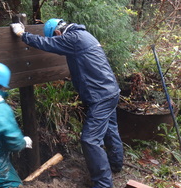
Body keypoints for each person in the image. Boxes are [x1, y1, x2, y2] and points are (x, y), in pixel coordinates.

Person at [10, 19, 124, 188]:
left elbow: (46, 43)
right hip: (110, 92)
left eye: (56, 37)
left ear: (58, 33)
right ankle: (116, 164)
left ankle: (103, 184)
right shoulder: (84, 35)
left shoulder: (74, 38)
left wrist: (22, 34)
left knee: (90, 139)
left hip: (100, 96)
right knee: (109, 128)